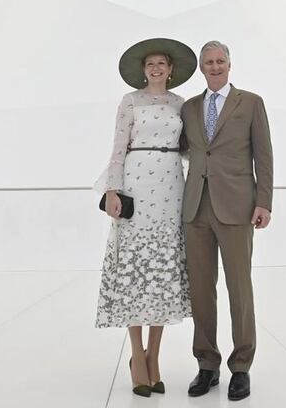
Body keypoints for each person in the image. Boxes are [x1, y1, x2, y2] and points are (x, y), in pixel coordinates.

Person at [95, 37, 197, 398]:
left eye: (161, 64)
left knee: (163, 270)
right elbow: (118, 148)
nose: (155, 68)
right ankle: (137, 354)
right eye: (150, 63)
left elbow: (190, 148)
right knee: (135, 270)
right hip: (137, 185)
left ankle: (155, 354)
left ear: (171, 71)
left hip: (171, 186)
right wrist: (112, 190)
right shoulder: (130, 102)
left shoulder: (180, 104)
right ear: (143, 70)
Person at [180, 40, 274, 401]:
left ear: (230, 65)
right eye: (209, 62)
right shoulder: (189, 108)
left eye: (221, 61)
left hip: (237, 207)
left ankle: (241, 367)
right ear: (201, 68)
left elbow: (263, 155)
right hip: (195, 210)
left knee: (239, 289)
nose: (215, 66)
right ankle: (207, 364)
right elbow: (178, 148)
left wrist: (263, 200)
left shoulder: (250, 103)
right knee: (201, 291)